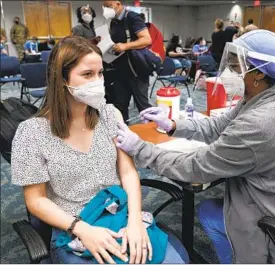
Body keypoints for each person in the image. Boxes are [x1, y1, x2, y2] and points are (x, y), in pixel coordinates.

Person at [115, 30, 275, 263]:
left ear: (258, 73)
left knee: (211, 215)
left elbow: (196, 167)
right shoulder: (262, 98)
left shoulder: (260, 122)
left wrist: (139, 148)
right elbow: (218, 125)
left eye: (235, 66)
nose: (228, 72)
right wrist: (172, 124)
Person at [11, 36, 185, 264]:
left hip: (119, 215)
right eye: (87, 74)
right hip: (72, 226)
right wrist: (82, 229)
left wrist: (134, 222)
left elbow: (128, 172)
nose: (98, 81)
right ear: (61, 79)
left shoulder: (110, 114)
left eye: (100, 73)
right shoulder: (32, 132)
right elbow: (35, 200)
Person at [102, 1, 152, 122]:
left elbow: (146, 39)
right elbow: (116, 42)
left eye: (108, 6)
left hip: (137, 71)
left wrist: (125, 46)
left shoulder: (132, 17)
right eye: (104, 6)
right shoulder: (114, 22)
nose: (106, 9)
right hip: (120, 71)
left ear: (118, 4)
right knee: (120, 106)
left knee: (143, 107)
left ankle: (152, 134)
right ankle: (123, 134)